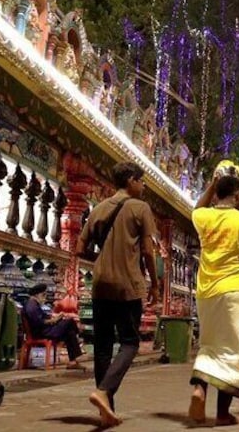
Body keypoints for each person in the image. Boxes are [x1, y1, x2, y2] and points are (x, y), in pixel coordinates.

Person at [76, 162, 160, 428]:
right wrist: (155, 284)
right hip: (128, 285)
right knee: (130, 343)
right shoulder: (140, 208)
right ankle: (103, 392)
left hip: (100, 284)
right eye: (142, 181)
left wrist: (102, 259)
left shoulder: (99, 208)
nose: (144, 186)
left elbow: (79, 247)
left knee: (102, 346)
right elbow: (148, 251)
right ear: (132, 180)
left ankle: (107, 410)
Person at [188, 169, 239, 426]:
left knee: (209, 344)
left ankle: (199, 389)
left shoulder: (204, 217)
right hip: (235, 290)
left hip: (206, 291)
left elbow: (197, 208)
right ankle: (222, 413)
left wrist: (212, 186)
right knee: (233, 350)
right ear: (236, 195)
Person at [23, 283, 85, 369]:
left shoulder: (34, 304)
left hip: (45, 330)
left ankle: (73, 361)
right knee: (70, 322)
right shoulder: (31, 305)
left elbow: (44, 317)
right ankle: (78, 335)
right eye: (43, 295)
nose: (44, 297)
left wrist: (57, 317)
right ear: (37, 294)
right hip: (41, 332)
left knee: (69, 332)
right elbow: (39, 322)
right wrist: (53, 320)